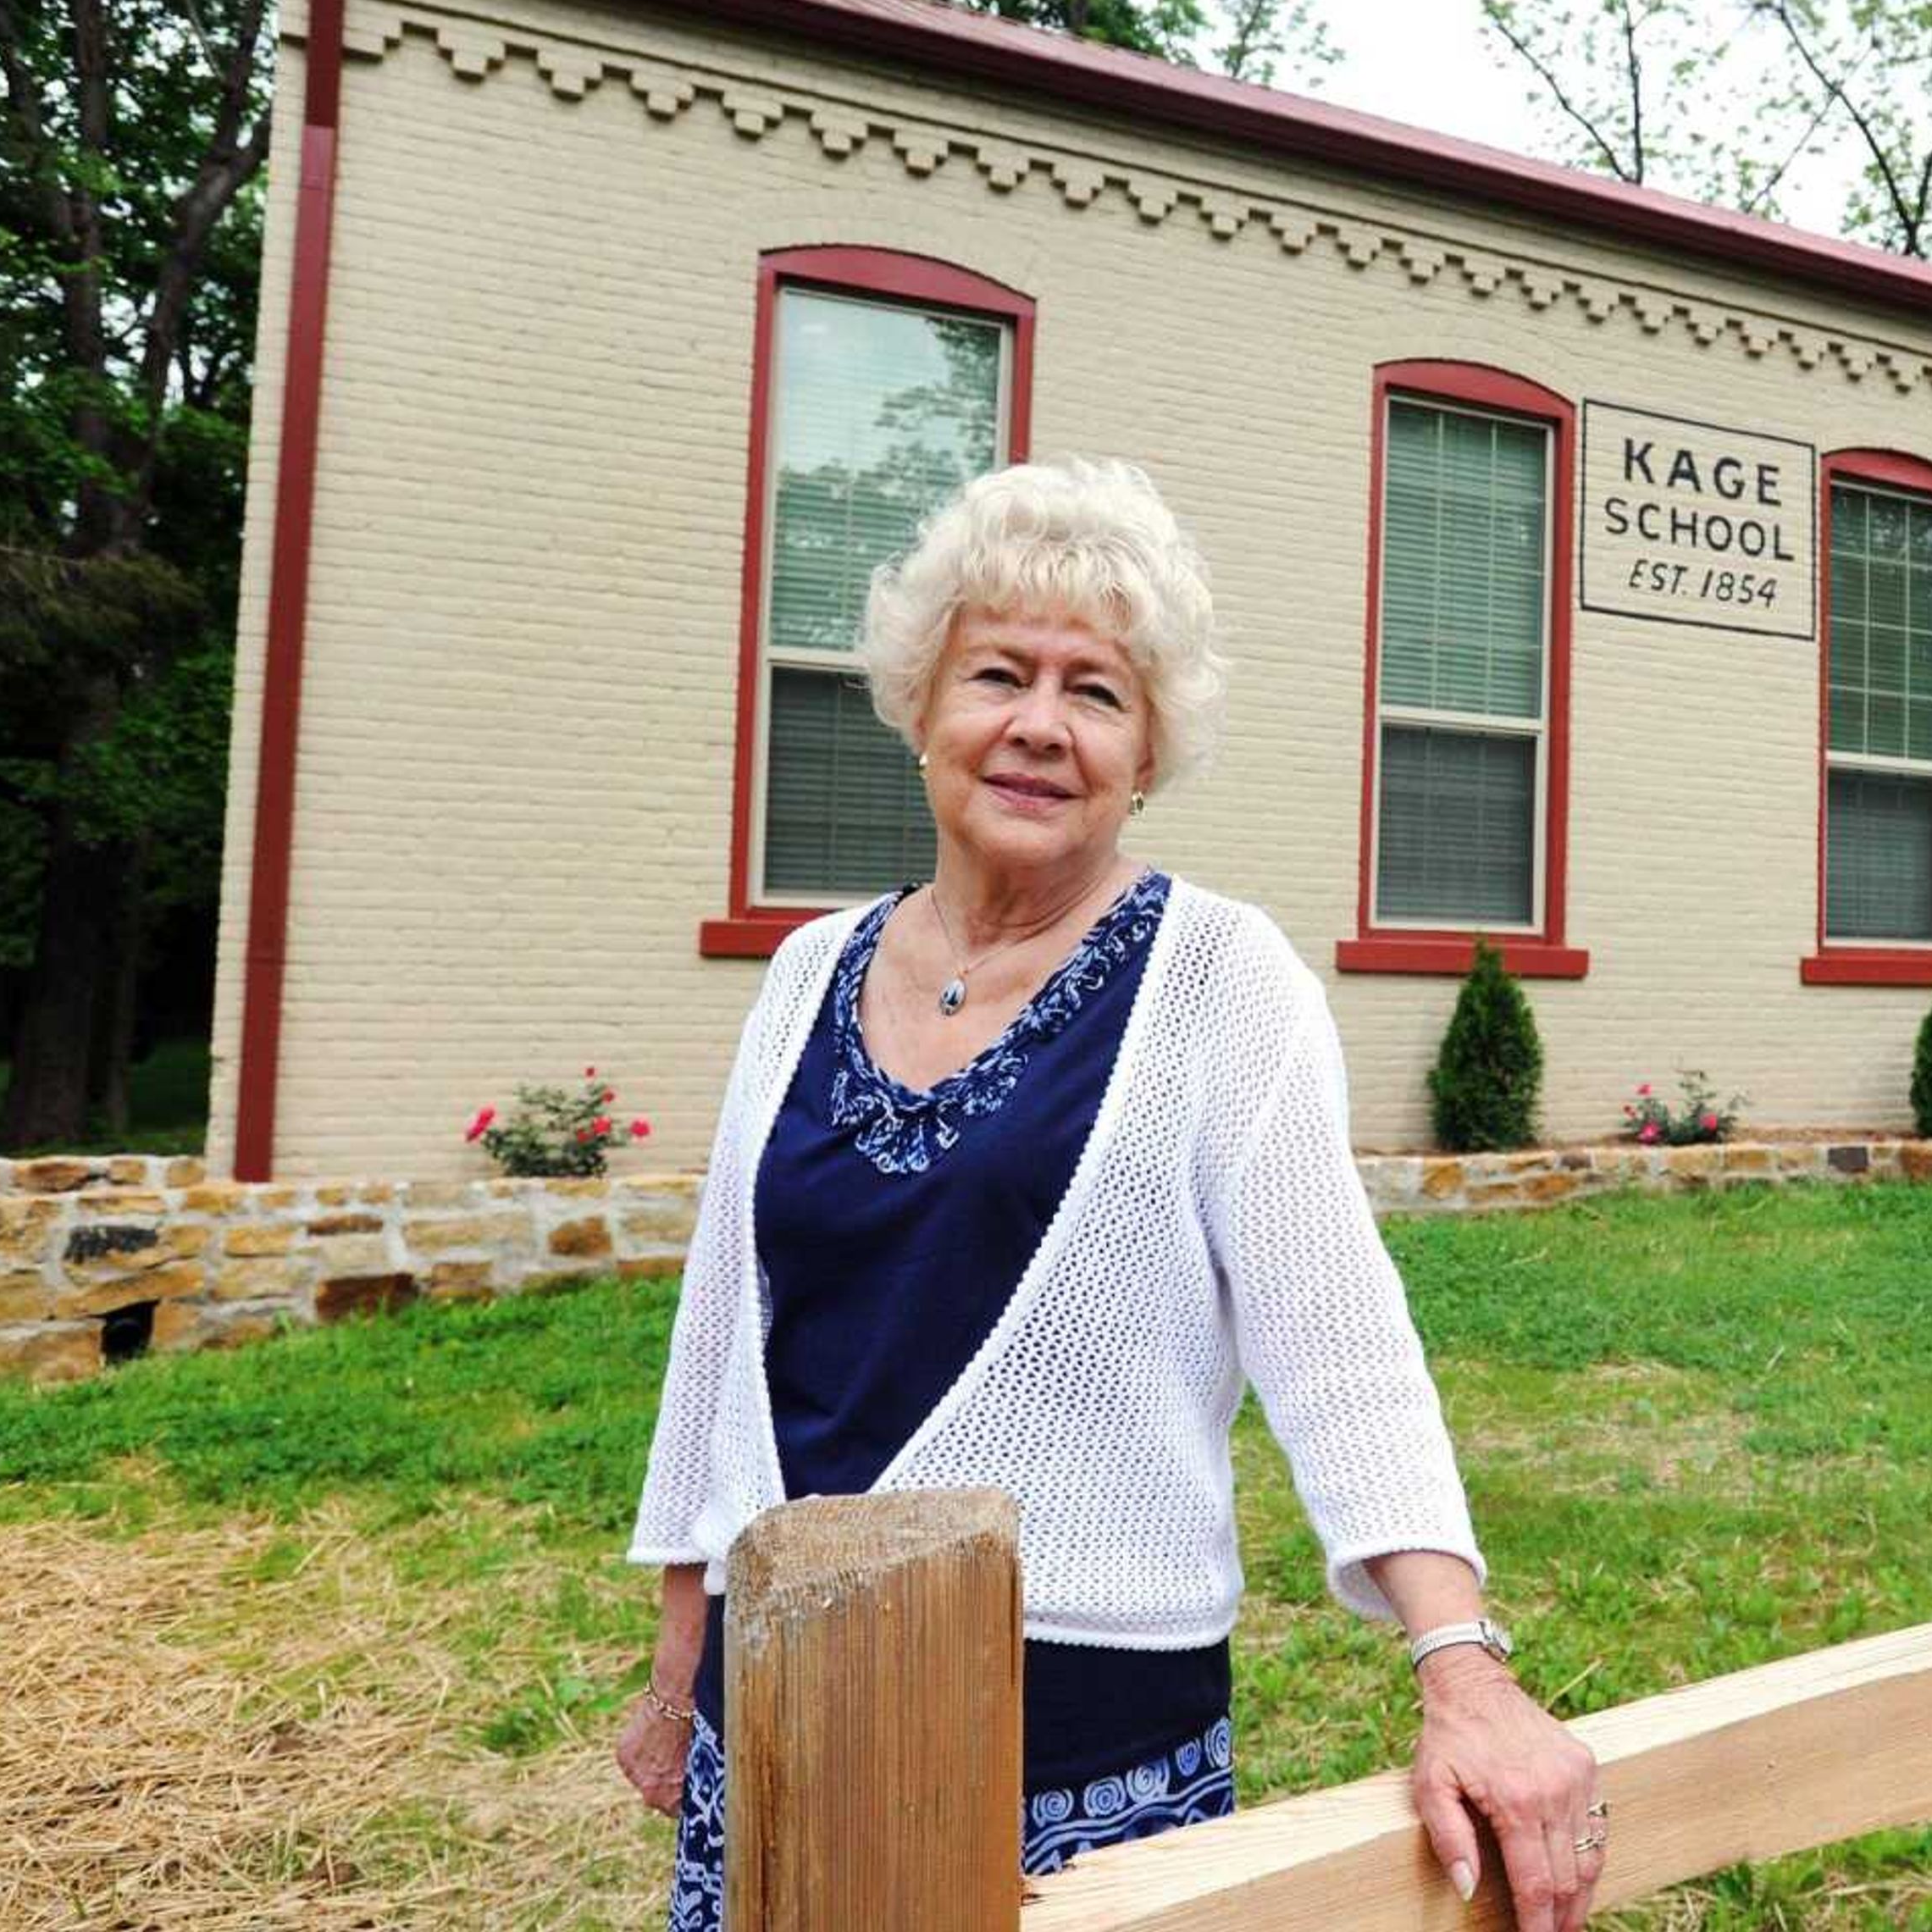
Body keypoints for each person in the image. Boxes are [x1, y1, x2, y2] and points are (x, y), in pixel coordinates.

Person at [612, 458, 1604, 1929]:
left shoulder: (1222, 980)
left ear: (1147, 752)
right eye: (998, 673)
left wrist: (1463, 1668)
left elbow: (1340, 1346)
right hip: (781, 1690)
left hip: (1077, 1716)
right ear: (921, 711)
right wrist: (682, 1652)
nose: (1037, 726)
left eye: (1097, 693)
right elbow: (722, 1329)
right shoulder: (807, 970)